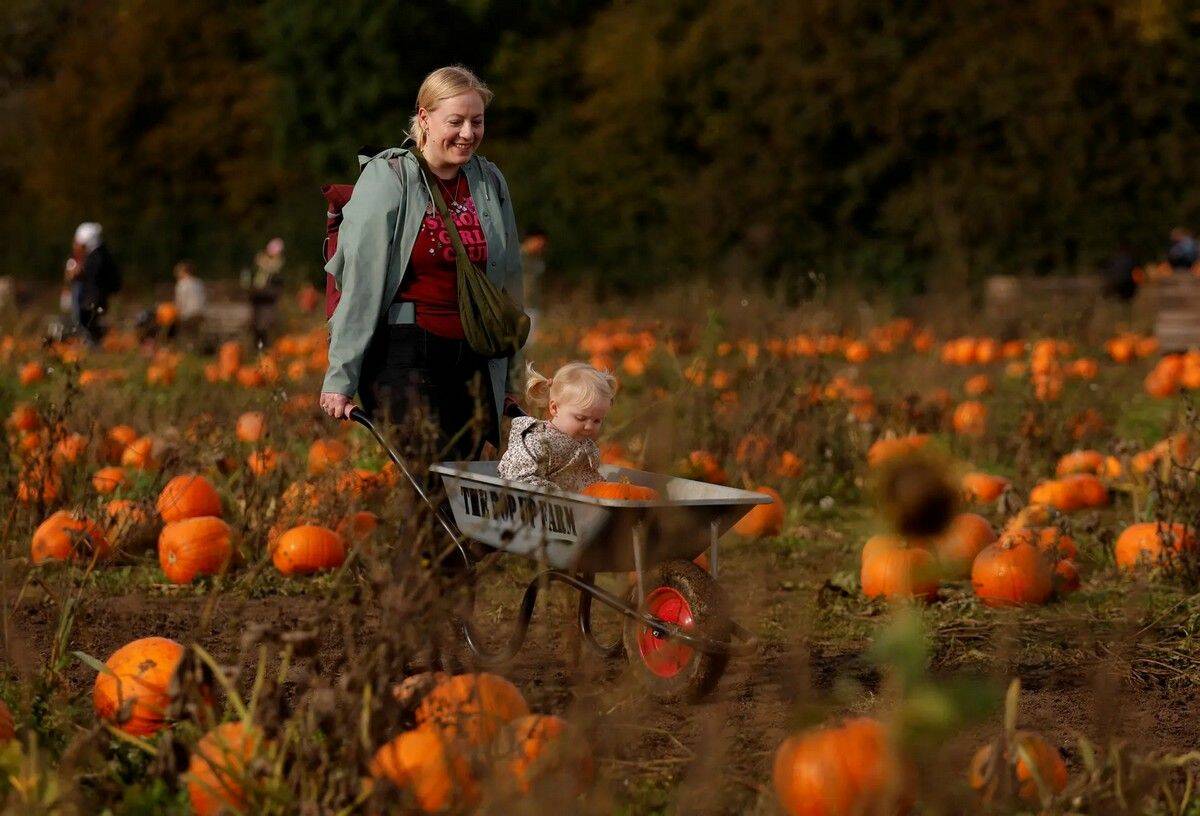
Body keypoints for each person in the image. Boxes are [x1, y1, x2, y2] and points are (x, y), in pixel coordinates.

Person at [319, 65, 526, 464]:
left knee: (466, 483)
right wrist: (340, 377)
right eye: (456, 121)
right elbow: (361, 286)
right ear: (425, 118)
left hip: (475, 353)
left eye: (477, 121)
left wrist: (510, 379)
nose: (468, 133)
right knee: (430, 472)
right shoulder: (389, 179)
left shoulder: (489, 181)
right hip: (404, 351)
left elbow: (509, 286)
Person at [496, 362, 616, 492]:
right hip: (529, 507)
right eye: (581, 418)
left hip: (568, 509)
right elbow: (517, 478)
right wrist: (559, 495)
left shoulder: (587, 448)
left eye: (597, 421)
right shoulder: (537, 441)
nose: (589, 426)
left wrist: (604, 492)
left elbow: (588, 481)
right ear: (554, 408)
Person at [68, 222, 120, 345]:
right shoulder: (99, 255)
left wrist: (79, 272)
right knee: (89, 323)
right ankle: (94, 342)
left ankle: (95, 344)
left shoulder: (97, 257)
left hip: (93, 298)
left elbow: (94, 277)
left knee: (90, 323)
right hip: (94, 297)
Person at [243, 238, 285, 346]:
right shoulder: (260, 262)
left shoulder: (276, 263)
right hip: (258, 295)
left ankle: (265, 344)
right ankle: (257, 344)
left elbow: (273, 269)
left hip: (268, 296)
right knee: (256, 322)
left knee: (265, 322)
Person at [173, 260, 207, 342]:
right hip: (201, 314)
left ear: (184, 271)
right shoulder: (199, 282)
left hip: (188, 315)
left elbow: (180, 303)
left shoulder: (182, 284)